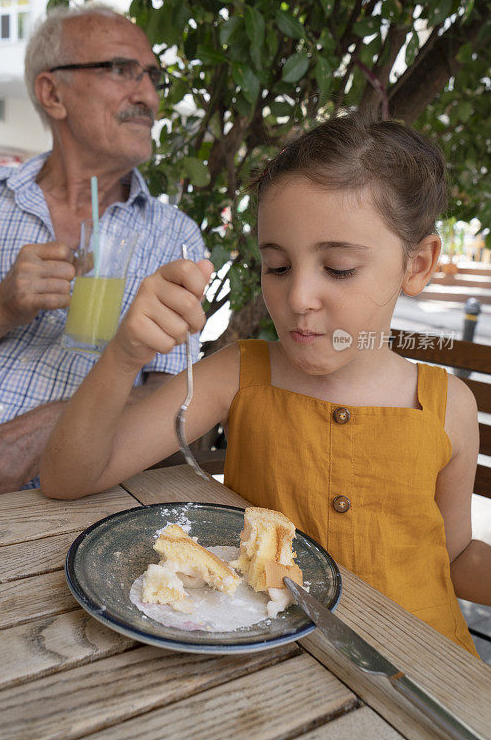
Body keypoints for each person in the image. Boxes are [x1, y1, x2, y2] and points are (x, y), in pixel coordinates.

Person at [40, 113, 491, 656]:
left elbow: (455, 556)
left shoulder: (446, 407)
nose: (298, 296)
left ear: (416, 265)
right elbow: (69, 476)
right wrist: (125, 354)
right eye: (277, 266)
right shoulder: (237, 374)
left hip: (428, 665)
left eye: (340, 268)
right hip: (274, 664)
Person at [0, 4, 205, 498]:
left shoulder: (172, 236)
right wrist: (0, 306)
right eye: (121, 69)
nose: (149, 95)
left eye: (153, 76)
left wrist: (54, 422)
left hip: (52, 503)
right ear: (53, 93)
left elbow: (172, 394)